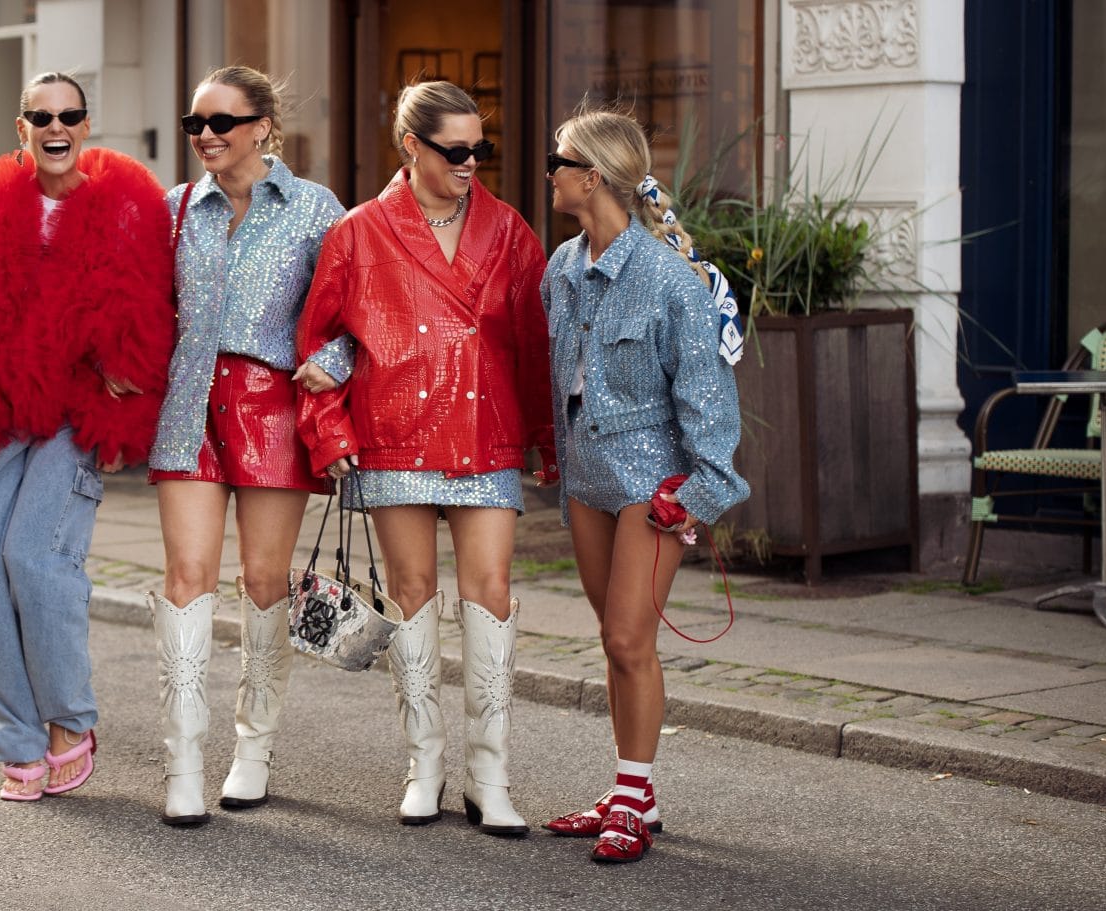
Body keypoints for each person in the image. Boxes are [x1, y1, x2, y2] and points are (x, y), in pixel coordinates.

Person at [0, 71, 174, 802]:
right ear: (22, 129)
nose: (56, 127)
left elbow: (150, 304)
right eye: (41, 117)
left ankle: (69, 723)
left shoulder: (124, 206)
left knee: (34, 558)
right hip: (0, 413)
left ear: (85, 125)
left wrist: (121, 362)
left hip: (74, 416)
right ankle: (17, 741)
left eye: (69, 115)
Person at [295, 80, 554, 836]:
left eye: (481, 149)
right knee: (411, 591)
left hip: (486, 431)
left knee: (491, 591)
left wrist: (547, 439)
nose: (471, 163)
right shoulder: (358, 232)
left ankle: (490, 776)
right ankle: (424, 765)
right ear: (411, 145)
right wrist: (329, 433)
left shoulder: (508, 230)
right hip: (393, 432)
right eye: (455, 150)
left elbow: (536, 341)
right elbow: (317, 342)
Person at [536, 108, 749, 863]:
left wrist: (698, 494)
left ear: (591, 176)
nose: (550, 173)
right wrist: (551, 456)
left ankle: (631, 796)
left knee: (630, 638)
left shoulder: (668, 281)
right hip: (587, 477)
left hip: (653, 485)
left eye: (558, 162)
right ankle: (635, 793)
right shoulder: (562, 268)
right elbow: (561, 378)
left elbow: (710, 403)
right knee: (615, 639)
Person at [147, 65, 350, 826]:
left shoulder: (315, 209)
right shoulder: (173, 209)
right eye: (194, 123)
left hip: (271, 410)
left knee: (265, 579)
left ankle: (253, 749)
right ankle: (182, 763)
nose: (205, 135)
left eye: (221, 122)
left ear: (262, 126)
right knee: (186, 577)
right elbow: (142, 307)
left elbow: (356, 309)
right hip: (188, 409)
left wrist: (334, 362)